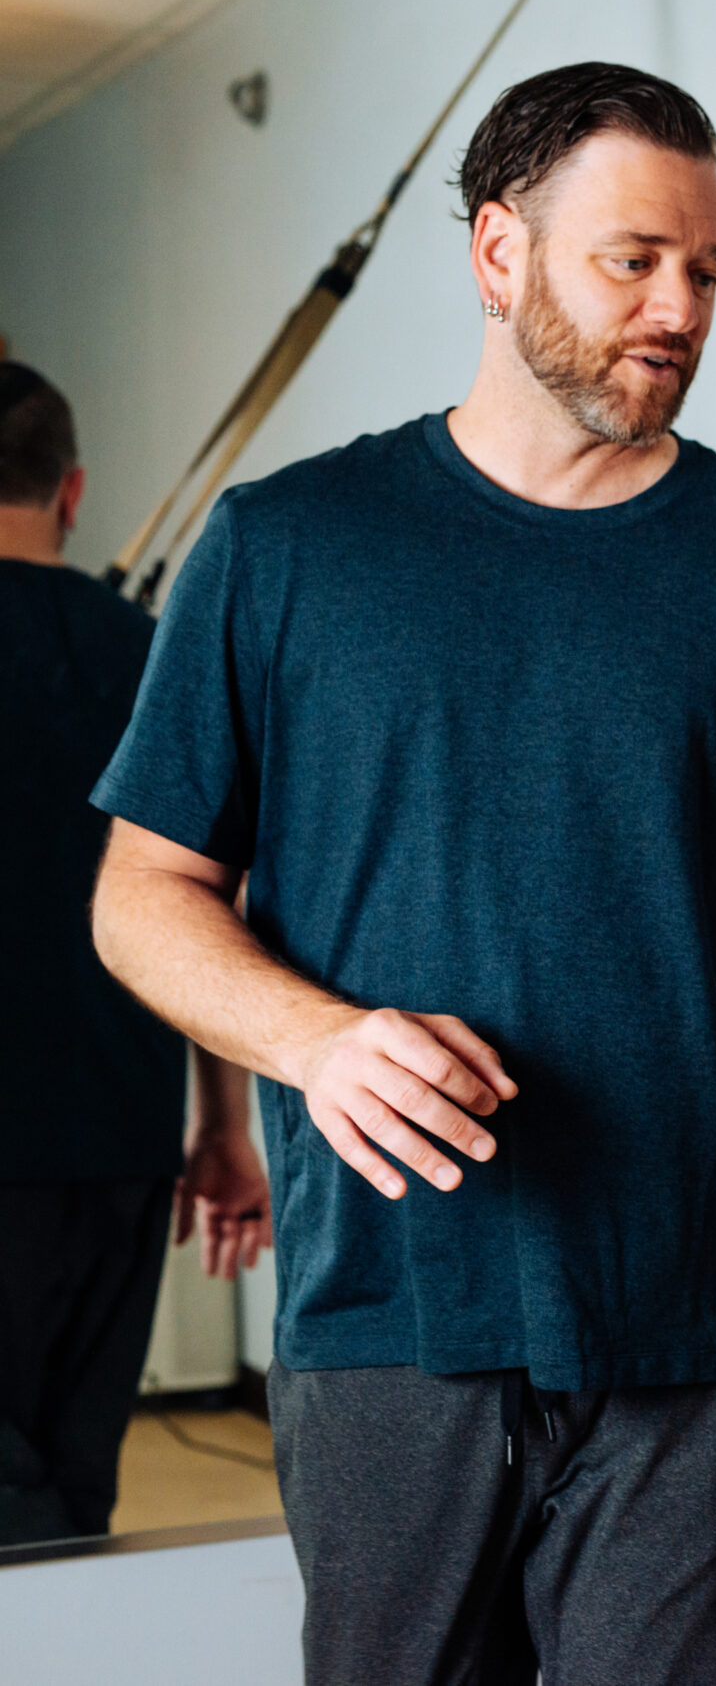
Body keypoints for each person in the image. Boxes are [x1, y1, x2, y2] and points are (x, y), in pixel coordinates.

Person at [89, 64, 716, 1683]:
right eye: (632, 257)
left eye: (704, 270)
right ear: (500, 253)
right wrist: (312, 1039)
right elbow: (140, 891)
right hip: (391, 1317)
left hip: (696, 1318)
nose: (678, 305)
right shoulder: (286, 548)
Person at [0, 362, 269, 1546]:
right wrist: (222, 1126)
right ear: (72, 492)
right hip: (119, 1137)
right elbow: (216, 899)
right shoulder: (154, 657)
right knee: (74, 1492)